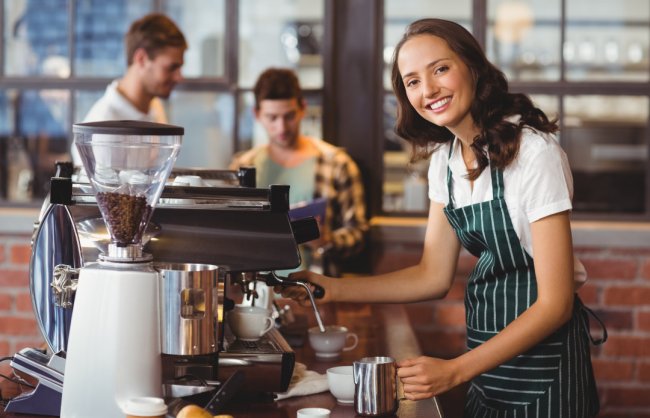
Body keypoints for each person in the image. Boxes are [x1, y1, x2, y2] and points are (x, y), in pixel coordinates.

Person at [282, 19, 604, 417]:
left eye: (440, 69)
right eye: (412, 81)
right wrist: (329, 287)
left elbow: (555, 305)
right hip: (487, 365)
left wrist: (454, 371)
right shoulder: (445, 161)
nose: (428, 90)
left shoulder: (534, 154)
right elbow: (432, 276)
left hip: (546, 371)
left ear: (472, 66)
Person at [230, 68, 368, 275]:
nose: (282, 127)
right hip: (254, 289)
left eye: (289, 116)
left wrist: (327, 239)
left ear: (303, 108)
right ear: (256, 114)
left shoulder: (336, 164)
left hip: (314, 285)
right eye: (272, 117)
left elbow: (358, 234)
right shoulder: (243, 166)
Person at [71, 13, 187, 166]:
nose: (179, 77)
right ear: (141, 59)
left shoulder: (153, 108)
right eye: (172, 68)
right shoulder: (104, 129)